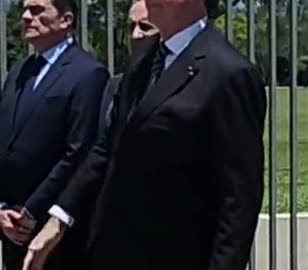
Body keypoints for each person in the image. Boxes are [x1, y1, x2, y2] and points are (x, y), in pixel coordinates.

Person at [22, 0, 267, 269]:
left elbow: (238, 201)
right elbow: (107, 149)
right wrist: (59, 219)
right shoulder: (144, 61)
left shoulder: (228, 73)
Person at [0, 0, 109, 269]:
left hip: (55, 232)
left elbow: (78, 151)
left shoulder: (87, 74)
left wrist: (31, 212)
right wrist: (2, 209)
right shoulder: (19, 72)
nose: (26, 17)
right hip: (10, 228)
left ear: (66, 20)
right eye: (25, 10)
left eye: (37, 10)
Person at [98, 0, 158, 142]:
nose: (136, 35)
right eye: (131, 27)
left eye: (145, 27)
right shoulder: (114, 86)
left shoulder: (170, 82)